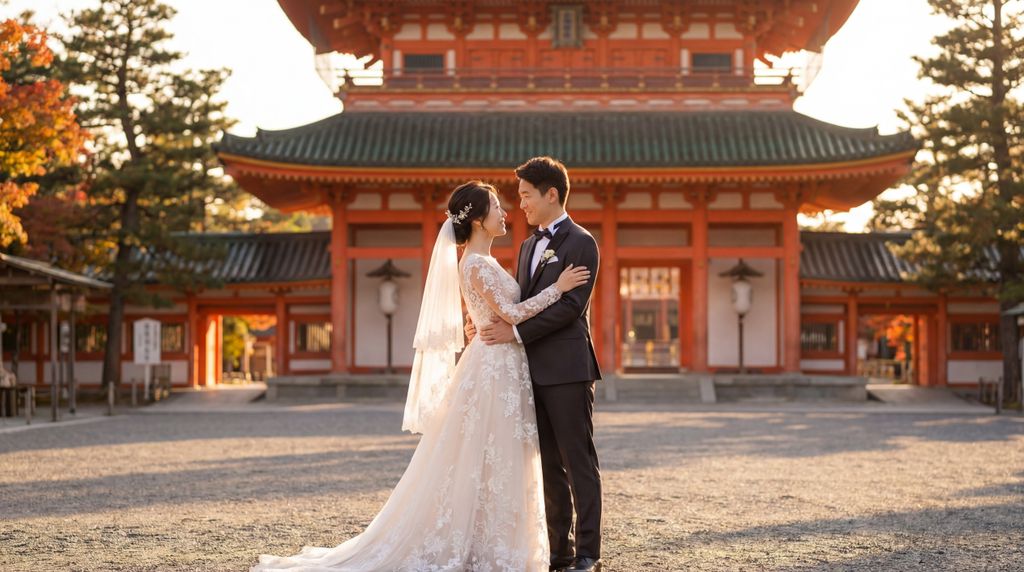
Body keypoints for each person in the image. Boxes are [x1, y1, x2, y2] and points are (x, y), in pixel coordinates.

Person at [251, 180, 591, 571]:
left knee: (499, 454)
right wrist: (559, 288)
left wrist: (477, 320)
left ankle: (492, 539)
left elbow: (495, 312)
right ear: (478, 220)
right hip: (493, 368)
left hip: (503, 363)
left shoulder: (486, 262)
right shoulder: (476, 265)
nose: (506, 213)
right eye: (497, 207)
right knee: (489, 451)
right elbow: (513, 315)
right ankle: (486, 543)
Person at [470, 157, 604, 572]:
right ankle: (557, 551)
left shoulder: (582, 242)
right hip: (525, 373)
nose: (520, 204)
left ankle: (587, 554)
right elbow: (518, 305)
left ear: (551, 194)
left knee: (578, 460)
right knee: (547, 466)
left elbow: (570, 306)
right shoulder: (528, 245)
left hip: (567, 369)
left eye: (526, 195)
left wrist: (515, 334)